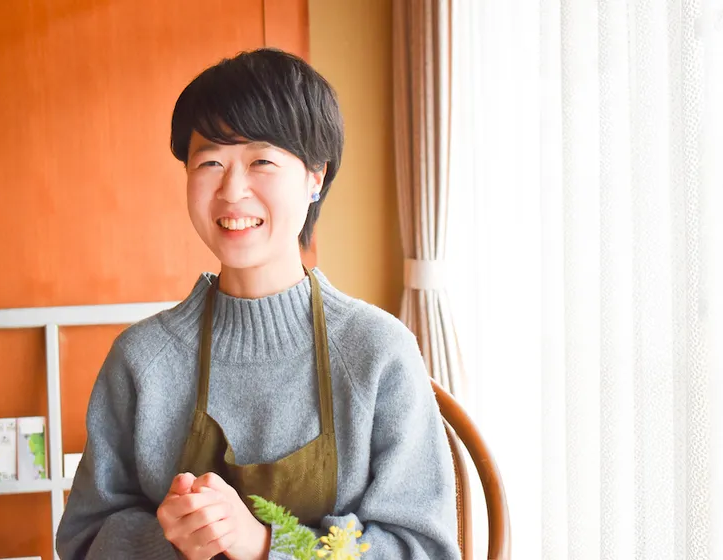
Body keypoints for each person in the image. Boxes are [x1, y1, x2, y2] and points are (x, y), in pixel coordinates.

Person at [56, 48, 459, 560]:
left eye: (261, 161)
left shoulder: (378, 352)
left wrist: (266, 543)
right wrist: (173, 541)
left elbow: (422, 549)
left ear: (315, 176)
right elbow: (83, 541)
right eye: (210, 162)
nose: (232, 190)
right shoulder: (141, 359)